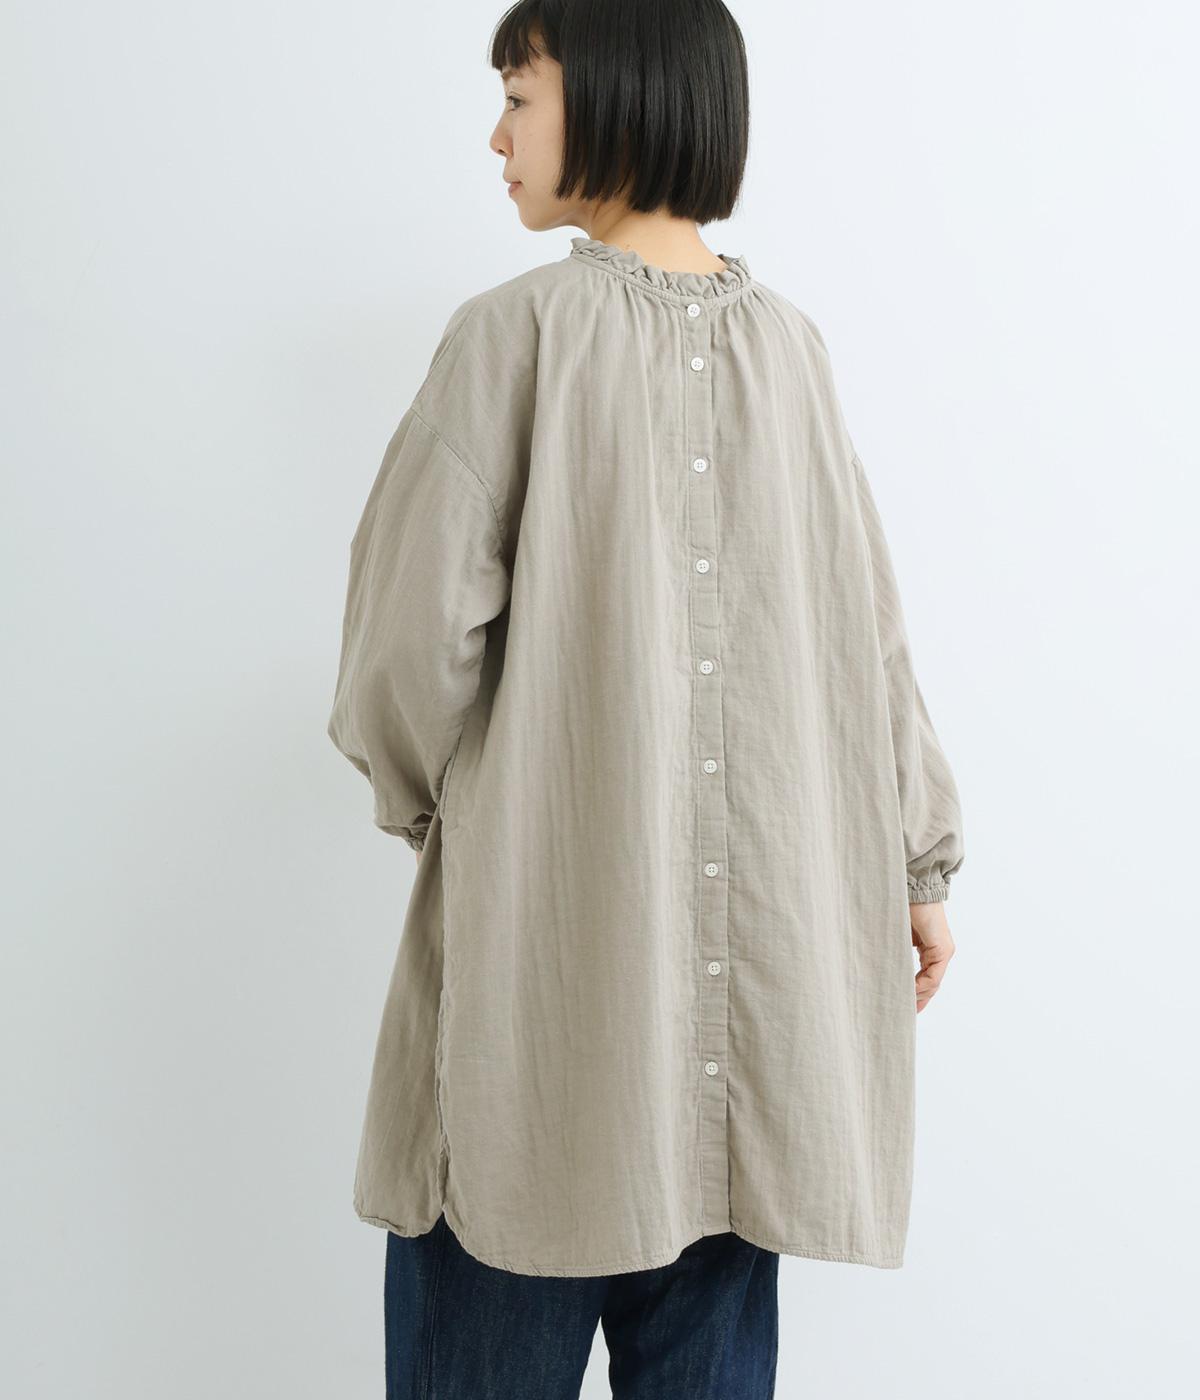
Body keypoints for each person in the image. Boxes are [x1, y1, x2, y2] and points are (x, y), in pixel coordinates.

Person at [325, 0, 965, 1394]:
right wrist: (915, 866)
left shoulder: (512, 337)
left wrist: (464, 818)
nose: (496, 136)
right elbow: (871, 641)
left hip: (539, 1032)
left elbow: (399, 661)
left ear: (616, 99)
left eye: (519, 97)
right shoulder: (794, 351)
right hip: (758, 1047)